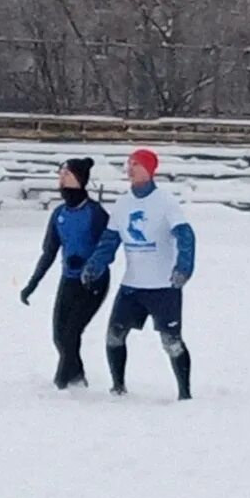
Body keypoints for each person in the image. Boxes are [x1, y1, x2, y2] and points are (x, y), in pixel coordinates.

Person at [80, 148, 195, 400]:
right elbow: (110, 240)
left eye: (136, 164)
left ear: (150, 170)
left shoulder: (165, 202)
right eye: (128, 163)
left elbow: (185, 235)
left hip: (164, 285)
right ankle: (118, 386)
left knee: (171, 342)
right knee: (114, 335)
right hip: (132, 285)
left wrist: (184, 267)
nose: (130, 168)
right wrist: (95, 265)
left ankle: (185, 393)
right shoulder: (123, 203)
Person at [20, 158, 111, 388]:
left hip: (93, 282)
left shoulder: (95, 213)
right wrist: (33, 283)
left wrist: (91, 266)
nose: (61, 179)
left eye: (67, 174)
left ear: (80, 180)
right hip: (69, 280)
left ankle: (61, 383)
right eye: (60, 174)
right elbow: (49, 252)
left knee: (71, 334)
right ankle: (76, 378)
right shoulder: (59, 213)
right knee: (59, 337)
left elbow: (108, 246)